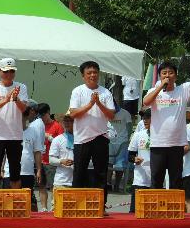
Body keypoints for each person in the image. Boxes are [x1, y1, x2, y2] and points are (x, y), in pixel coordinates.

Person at [143, 48, 190, 190]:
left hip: (176, 144)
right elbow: (146, 102)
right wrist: (160, 87)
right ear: (160, 76)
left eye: (170, 73)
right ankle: (156, 211)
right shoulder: (154, 91)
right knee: (156, 179)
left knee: (175, 180)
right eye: (164, 73)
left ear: (175, 75)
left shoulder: (182, 90)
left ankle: (172, 210)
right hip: (158, 144)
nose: (167, 75)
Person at [69, 61, 116, 193]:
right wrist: (90, 104)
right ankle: (75, 204)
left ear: (99, 74)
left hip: (100, 136)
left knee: (101, 173)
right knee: (79, 172)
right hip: (82, 138)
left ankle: (101, 205)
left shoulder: (105, 92)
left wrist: (98, 103)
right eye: (89, 73)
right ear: (83, 76)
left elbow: (111, 115)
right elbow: (73, 114)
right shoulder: (78, 91)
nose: (92, 75)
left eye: (95, 72)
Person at [0, 58, 28, 189]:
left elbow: (24, 108)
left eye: (12, 71)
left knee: (15, 173)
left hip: (15, 135)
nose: (9, 74)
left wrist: (16, 99)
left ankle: (15, 205)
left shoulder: (21, 87)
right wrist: (6, 99)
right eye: (6, 71)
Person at [127, 109, 152, 213]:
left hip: (158, 181)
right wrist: (135, 159)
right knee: (135, 213)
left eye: (148, 118)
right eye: (143, 118)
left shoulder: (163, 137)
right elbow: (130, 155)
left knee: (153, 213)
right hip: (140, 179)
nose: (145, 120)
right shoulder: (138, 135)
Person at [19, 107, 44, 211]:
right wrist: (2, 169)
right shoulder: (10, 132)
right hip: (9, 172)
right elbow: (5, 152)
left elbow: (37, 152)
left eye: (23, 116)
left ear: (26, 117)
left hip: (28, 172)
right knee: (12, 200)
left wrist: (38, 170)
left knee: (29, 200)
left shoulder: (33, 131)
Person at [108, 103, 133, 193]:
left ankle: (117, 185)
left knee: (120, 165)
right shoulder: (106, 112)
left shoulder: (125, 113)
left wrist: (127, 139)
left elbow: (129, 127)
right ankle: (108, 183)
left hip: (122, 142)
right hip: (110, 141)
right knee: (109, 164)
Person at [48, 114, 75, 189]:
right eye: (65, 121)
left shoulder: (81, 139)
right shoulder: (57, 139)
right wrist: (61, 161)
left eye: (70, 121)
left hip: (78, 181)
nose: (67, 123)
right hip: (61, 182)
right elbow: (51, 160)